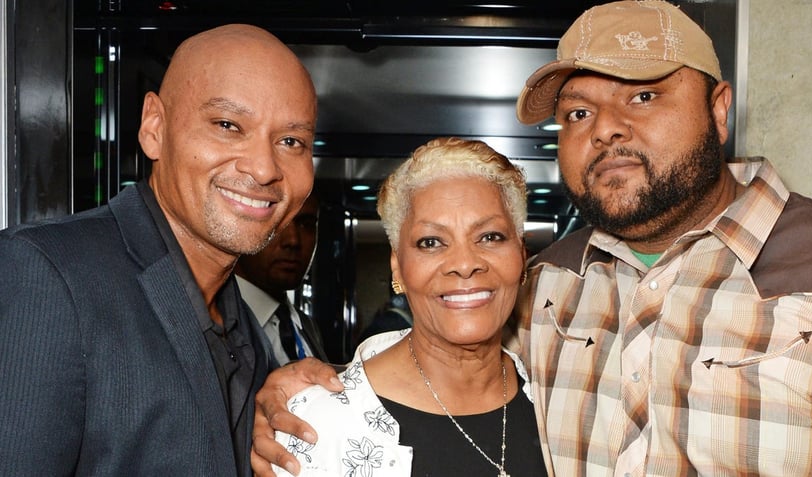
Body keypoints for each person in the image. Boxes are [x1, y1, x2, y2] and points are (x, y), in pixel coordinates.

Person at [252, 1, 812, 475]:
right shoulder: (546, 287)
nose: (608, 128)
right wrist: (306, 385)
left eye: (644, 94)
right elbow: (449, 344)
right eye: (579, 113)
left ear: (719, 111)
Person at [0, 24, 317, 476]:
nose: (265, 168)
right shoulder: (45, 275)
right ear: (155, 127)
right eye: (228, 125)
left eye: (291, 142)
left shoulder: (244, 326)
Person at [270, 137, 547, 476]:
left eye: (489, 237)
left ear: (521, 255)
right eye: (431, 242)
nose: (464, 263)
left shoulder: (556, 403)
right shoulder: (317, 425)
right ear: (398, 267)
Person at [236, 190, 329, 367]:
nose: (293, 240)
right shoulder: (215, 323)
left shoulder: (306, 326)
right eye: (276, 223)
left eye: (306, 224)